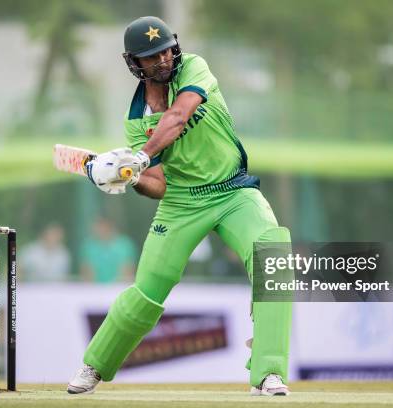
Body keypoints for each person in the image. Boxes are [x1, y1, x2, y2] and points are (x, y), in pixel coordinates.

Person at [68, 16, 292, 396]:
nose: (163, 60)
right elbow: (158, 185)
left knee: (274, 259)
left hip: (233, 190)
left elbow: (178, 116)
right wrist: (130, 175)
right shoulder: (136, 120)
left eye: (166, 50)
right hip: (182, 203)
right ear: (134, 64)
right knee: (147, 292)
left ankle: (268, 373)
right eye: (151, 57)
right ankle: (95, 365)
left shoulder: (194, 67)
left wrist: (141, 155)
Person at [80, 218, 136, 283]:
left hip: (119, 288)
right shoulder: (89, 246)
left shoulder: (125, 245)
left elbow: (128, 271)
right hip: (94, 290)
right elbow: (86, 273)